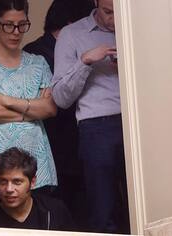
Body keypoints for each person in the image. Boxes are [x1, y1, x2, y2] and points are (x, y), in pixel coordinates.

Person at [51, 0, 129, 233]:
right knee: (102, 211)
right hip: (97, 127)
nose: (113, 19)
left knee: (147, 204)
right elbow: (60, 98)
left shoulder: (136, 28)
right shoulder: (72, 34)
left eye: (118, 12)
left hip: (138, 123)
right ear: (95, 3)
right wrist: (85, 61)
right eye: (107, 12)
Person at [0, 0, 57, 191]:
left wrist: (6, 100)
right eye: (8, 25)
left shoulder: (38, 63)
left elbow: (50, 108)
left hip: (37, 166)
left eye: (22, 25)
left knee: (41, 218)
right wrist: (30, 111)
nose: (16, 32)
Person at [23, 0, 94, 229]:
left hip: (79, 150)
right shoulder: (35, 55)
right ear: (72, 23)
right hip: (54, 151)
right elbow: (51, 103)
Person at [0, 147, 73, 230]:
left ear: (32, 182)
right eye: (3, 182)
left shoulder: (55, 211)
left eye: (17, 182)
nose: (9, 189)